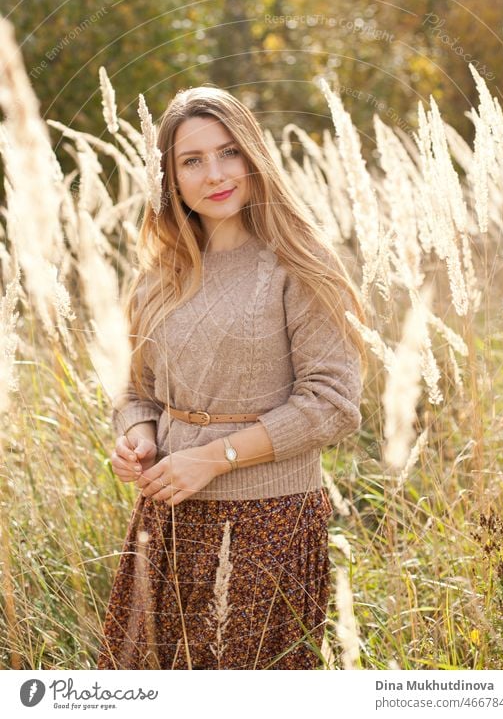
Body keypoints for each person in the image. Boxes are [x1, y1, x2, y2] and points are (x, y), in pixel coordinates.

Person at [96, 84, 367, 670]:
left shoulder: (298, 263)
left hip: (266, 520)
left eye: (228, 152)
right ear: (169, 177)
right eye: (192, 161)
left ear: (252, 155)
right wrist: (139, 435)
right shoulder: (160, 275)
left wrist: (212, 458)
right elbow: (133, 387)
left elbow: (333, 403)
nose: (215, 173)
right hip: (165, 514)